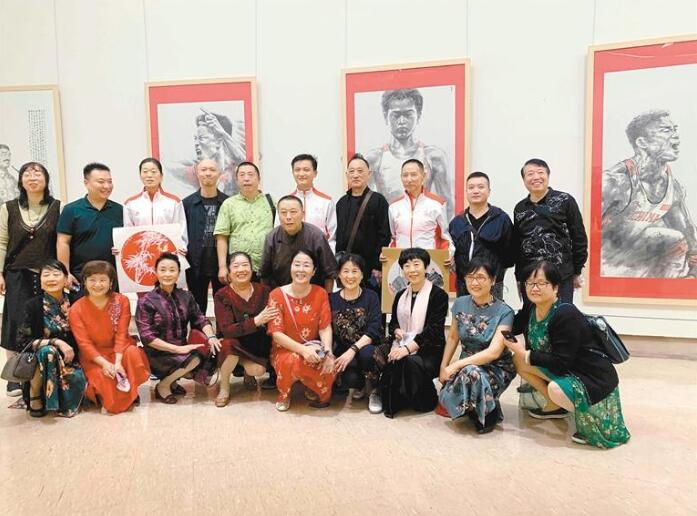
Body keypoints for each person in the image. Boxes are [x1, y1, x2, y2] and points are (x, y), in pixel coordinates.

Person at [504, 261, 631, 448]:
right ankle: (554, 405)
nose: (534, 288)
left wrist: (524, 352)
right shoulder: (531, 308)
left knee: (555, 388)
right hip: (567, 370)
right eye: (530, 283)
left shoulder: (566, 314)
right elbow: (512, 325)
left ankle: (580, 411)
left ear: (556, 287)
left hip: (591, 376)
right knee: (518, 360)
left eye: (541, 283)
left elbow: (561, 362)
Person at [602, 110, 697, 277]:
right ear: (642, 143)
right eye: (666, 130)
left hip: (646, 273)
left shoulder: (672, 186)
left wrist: (693, 276)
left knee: (674, 238)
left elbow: (690, 240)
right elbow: (583, 230)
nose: (676, 136)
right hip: (607, 270)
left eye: (675, 129)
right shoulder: (614, 181)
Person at [259, 195, 337, 390]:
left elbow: (329, 272)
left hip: (312, 298)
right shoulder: (272, 237)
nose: (288, 217)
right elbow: (265, 274)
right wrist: (271, 303)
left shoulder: (315, 236)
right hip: (281, 299)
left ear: (303, 213)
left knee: (321, 335)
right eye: (283, 212)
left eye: (293, 212)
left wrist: (326, 299)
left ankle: (315, 374)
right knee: (274, 334)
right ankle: (276, 373)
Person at [0, 162, 61, 396]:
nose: (32, 177)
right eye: (27, 173)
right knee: (14, 322)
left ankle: (45, 370)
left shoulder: (58, 207)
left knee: (46, 321)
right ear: (21, 180)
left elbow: (63, 242)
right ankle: (14, 375)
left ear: (46, 180)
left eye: (38, 173)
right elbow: (2, 243)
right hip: (17, 273)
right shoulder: (8, 208)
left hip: (48, 275)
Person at [438, 258, 516, 434]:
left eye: (481, 277)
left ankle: (489, 414)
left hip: (496, 366)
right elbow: (453, 337)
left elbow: (493, 352)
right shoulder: (460, 303)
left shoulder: (505, 312)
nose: (474, 282)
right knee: (447, 396)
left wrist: (455, 365)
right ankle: (480, 404)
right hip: (467, 363)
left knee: (471, 372)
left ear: (493, 280)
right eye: (470, 277)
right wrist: (443, 366)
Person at [135, 252, 225, 404]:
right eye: (163, 270)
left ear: (178, 274)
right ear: (156, 272)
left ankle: (172, 380)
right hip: (158, 353)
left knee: (212, 350)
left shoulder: (186, 296)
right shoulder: (146, 301)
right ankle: (163, 386)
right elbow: (147, 336)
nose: (167, 274)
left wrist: (211, 337)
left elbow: (200, 319)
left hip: (182, 349)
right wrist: (178, 349)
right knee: (195, 358)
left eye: (172, 270)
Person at [69, 261, 150, 414]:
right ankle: (109, 394)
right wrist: (105, 363)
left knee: (133, 354)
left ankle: (131, 390)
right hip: (95, 356)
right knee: (106, 383)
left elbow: (121, 334)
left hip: (120, 350)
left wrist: (118, 362)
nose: (97, 284)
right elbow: (84, 344)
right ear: (84, 282)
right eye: (92, 280)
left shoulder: (121, 301)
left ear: (111, 282)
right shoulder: (76, 309)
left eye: (102, 280)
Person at [379, 248, 447, 418]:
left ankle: (425, 398)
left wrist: (407, 349)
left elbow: (434, 331)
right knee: (392, 361)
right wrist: (396, 330)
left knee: (409, 361)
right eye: (407, 266)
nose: (412, 270)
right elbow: (393, 322)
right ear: (403, 270)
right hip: (402, 344)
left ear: (426, 267)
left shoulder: (438, 295)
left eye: (416, 264)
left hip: (430, 350)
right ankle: (401, 398)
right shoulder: (400, 294)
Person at [365, 88, 453, 219]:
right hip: (388, 226)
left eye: (408, 115)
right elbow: (366, 205)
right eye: (396, 115)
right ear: (385, 116)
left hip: (424, 225)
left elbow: (447, 205)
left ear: (419, 115)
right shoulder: (375, 159)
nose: (402, 121)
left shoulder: (434, 157)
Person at [512, 158, 587, 309]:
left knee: (561, 317)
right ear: (524, 179)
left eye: (540, 172)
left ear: (548, 175)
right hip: (530, 278)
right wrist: (519, 278)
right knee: (532, 319)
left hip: (561, 276)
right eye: (530, 174)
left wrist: (577, 271)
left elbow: (579, 238)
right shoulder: (520, 208)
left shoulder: (565, 200)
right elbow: (518, 245)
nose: (536, 177)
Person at [266, 250, 336, 411]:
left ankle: (311, 386)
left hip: (313, 347)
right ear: (290, 267)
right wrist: (303, 350)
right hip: (284, 350)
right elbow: (276, 334)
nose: (301, 269)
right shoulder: (276, 295)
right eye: (297, 264)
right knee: (293, 361)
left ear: (314, 271)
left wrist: (328, 351)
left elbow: (325, 327)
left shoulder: (320, 293)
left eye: (306, 265)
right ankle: (285, 393)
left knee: (328, 364)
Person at [17, 260, 86, 418]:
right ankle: (35, 394)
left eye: (56, 274)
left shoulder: (76, 302)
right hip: (40, 360)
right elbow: (22, 342)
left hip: (71, 358)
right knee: (48, 351)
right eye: (46, 275)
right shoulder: (32, 306)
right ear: (40, 281)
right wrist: (56, 342)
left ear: (66, 279)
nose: (51, 279)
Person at [213, 251, 278, 407]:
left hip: (257, 345)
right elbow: (227, 330)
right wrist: (256, 321)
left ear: (251, 268)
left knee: (258, 371)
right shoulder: (222, 295)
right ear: (229, 271)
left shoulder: (265, 291)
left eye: (245, 265)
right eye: (236, 266)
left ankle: (246, 369)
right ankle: (224, 387)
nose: (241, 270)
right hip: (233, 343)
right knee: (228, 346)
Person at [56, 162, 123, 291]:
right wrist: (65, 273)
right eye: (101, 182)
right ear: (86, 183)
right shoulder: (71, 210)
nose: (107, 186)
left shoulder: (119, 210)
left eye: (109, 182)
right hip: (80, 277)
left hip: (111, 277)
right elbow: (63, 242)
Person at [329, 254, 383, 413]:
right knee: (350, 380)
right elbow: (327, 329)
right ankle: (360, 384)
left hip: (369, 347)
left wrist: (353, 350)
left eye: (355, 271)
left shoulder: (371, 296)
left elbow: (374, 329)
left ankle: (375, 391)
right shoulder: (331, 299)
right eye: (345, 271)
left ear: (362, 275)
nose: (350, 276)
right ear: (339, 274)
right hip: (345, 350)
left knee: (367, 354)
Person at [449, 171, 513, 298]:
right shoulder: (457, 222)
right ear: (466, 191)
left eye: (481, 187)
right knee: (464, 311)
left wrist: (495, 276)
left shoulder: (501, 219)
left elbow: (509, 257)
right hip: (464, 286)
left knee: (493, 311)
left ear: (489, 191)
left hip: (492, 285)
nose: (476, 191)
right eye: (471, 187)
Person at [335, 153, 391, 292]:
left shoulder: (378, 201)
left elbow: (384, 235)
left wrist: (378, 267)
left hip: (370, 271)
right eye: (352, 171)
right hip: (347, 269)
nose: (355, 175)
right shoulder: (341, 203)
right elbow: (339, 237)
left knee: (371, 302)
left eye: (360, 171)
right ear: (347, 174)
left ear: (369, 174)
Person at [214, 161, 274, 284]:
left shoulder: (272, 202)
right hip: (239, 269)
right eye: (242, 175)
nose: (246, 178)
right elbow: (222, 236)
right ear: (237, 180)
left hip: (267, 267)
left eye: (250, 174)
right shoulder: (229, 204)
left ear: (259, 179)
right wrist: (222, 267)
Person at [182, 159, 228, 314]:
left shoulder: (228, 203)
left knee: (224, 308)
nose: (208, 173)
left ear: (219, 173)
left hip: (222, 265)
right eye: (203, 170)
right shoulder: (186, 204)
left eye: (212, 170)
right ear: (196, 172)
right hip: (195, 266)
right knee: (196, 309)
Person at [386, 159, 454, 263]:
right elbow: (394, 238)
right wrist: (388, 255)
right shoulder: (394, 206)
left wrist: (448, 255)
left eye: (413, 175)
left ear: (423, 176)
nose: (409, 179)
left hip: (429, 264)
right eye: (405, 175)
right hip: (403, 265)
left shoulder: (437, 204)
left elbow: (444, 238)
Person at [124, 157, 187, 250]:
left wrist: (182, 248)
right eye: (145, 172)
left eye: (153, 171)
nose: (149, 175)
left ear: (161, 176)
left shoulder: (174, 202)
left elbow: (181, 231)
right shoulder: (130, 203)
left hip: (167, 252)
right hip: (142, 253)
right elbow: (127, 234)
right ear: (140, 176)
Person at [287, 154, 336, 251]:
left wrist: (327, 257)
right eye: (297, 170)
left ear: (315, 173)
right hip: (291, 255)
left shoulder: (326, 201)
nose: (301, 174)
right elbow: (279, 233)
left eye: (306, 170)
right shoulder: (286, 202)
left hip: (319, 254)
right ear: (292, 173)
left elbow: (332, 236)